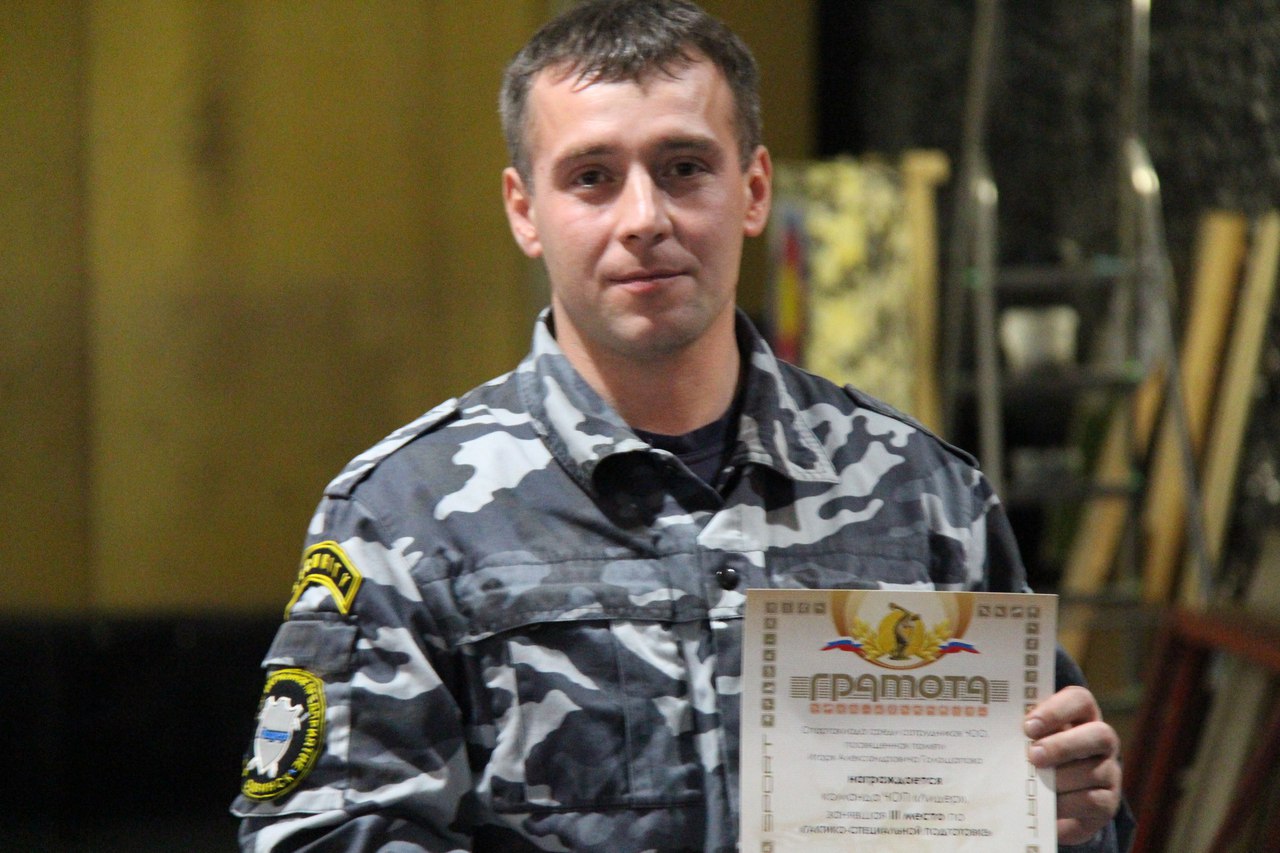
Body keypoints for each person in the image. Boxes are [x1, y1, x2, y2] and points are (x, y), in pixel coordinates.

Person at [232, 1, 1132, 850]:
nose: (644, 219)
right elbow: (319, 834)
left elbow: (1039, 812)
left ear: (753, 189)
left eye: (684, 168)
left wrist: (1075, 814)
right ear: (524, 211)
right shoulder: (405, 515)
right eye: (592, 177)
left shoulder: (921, 492)